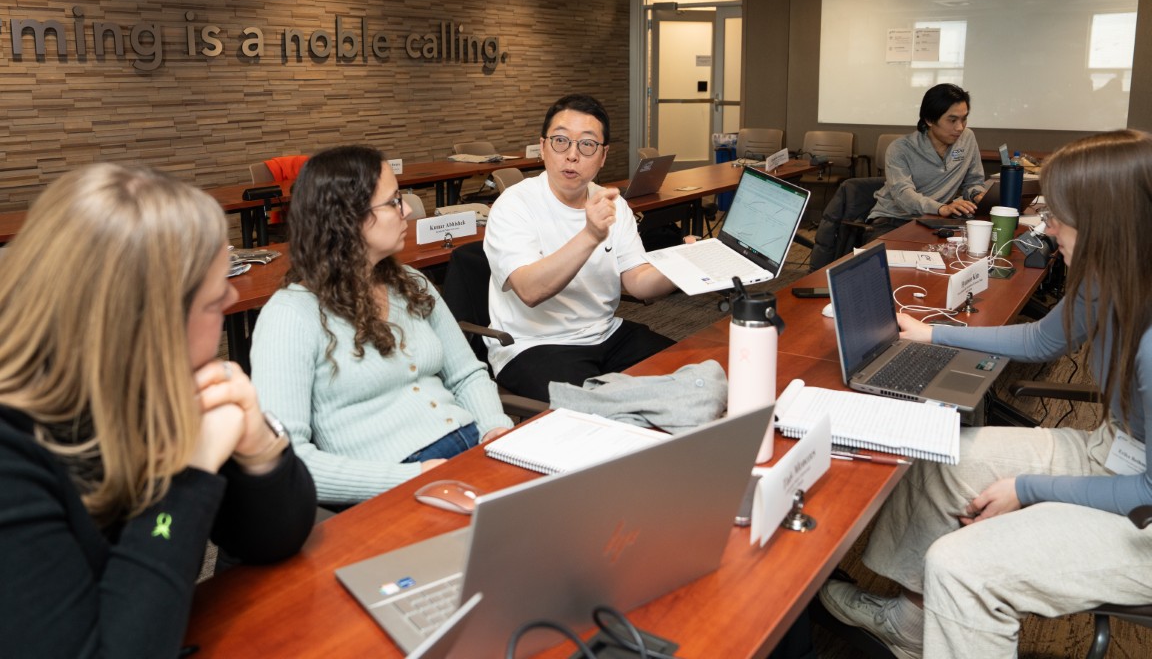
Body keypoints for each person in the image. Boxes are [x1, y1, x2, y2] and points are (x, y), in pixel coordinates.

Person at [818, 129, 1152, 659]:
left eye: (1058, 216)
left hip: (1145, 517)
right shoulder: (1111, 276)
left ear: (1106, 223)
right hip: (1114, 455)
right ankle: (912, 625)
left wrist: (1029, 488)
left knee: (961, 567)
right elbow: (1042, 340)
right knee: (943, 457)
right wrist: (933, 334)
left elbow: (1148, 493)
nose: (1047, 227)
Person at [0, 164, 316, 658]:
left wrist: (258, 446)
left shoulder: (143, 386)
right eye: (214, 299)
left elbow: (276, 539)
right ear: (147, 325)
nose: (233, 296)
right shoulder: (12, 455)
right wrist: (188, 477)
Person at [251, 145, 512, 507]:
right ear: (347, 218)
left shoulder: (411, 282)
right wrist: (411, 479)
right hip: (395, 483)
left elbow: (466, 374)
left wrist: (495, 428)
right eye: (393, 202)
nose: (408, 210)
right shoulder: (290, 315)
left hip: (472, 447)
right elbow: (286, 461)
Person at [483, 94, 682, 402]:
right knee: (603, 411)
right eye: (561, 141)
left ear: (603, 156)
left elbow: (638, 283)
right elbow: (530, 290)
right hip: (532, 345)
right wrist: (590, 235)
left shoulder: (613, 203)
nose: (572, 155)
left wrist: (683, 264)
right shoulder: (514, 205)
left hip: (606, 333)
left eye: (587, 144)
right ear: (543, 146)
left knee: (691, 375)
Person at [866, 83, 987, 239]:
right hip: (893, 219)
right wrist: (941, 208)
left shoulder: (967, 138)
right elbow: (903, 194)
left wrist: (977, 195)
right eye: (952, 120)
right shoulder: (900, 149)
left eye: (964, 119)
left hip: (935, 219)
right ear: (929, 120)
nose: (960, 127)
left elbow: (973, 182)